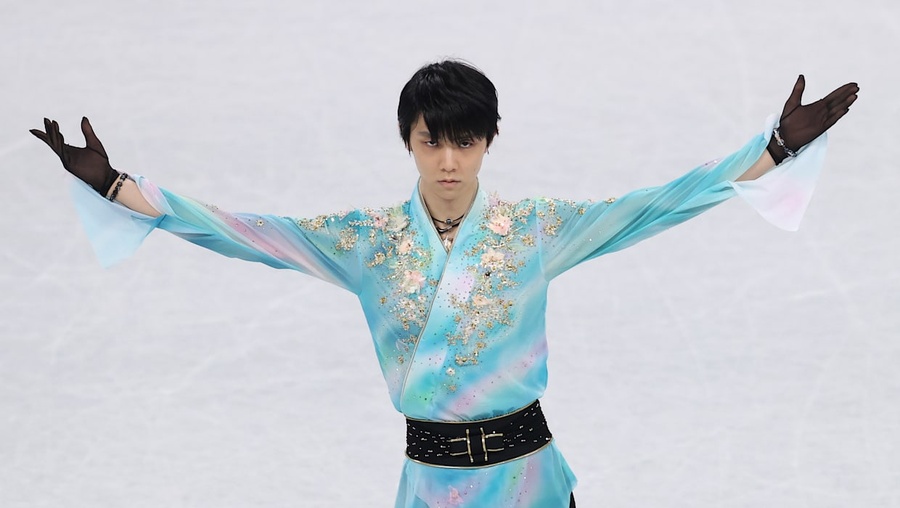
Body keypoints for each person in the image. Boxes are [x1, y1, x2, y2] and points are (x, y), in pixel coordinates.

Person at [31, 60, 858, 507]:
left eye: (466, 141)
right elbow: (243, 232)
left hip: (527, 480)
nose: (451, 161)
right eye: (434, 141)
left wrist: (775, 149)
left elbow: (659, 206)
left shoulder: (535, 229)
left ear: (491, 141)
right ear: (409, 142)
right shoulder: (365, 241)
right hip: (429, 485)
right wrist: (115, 187)